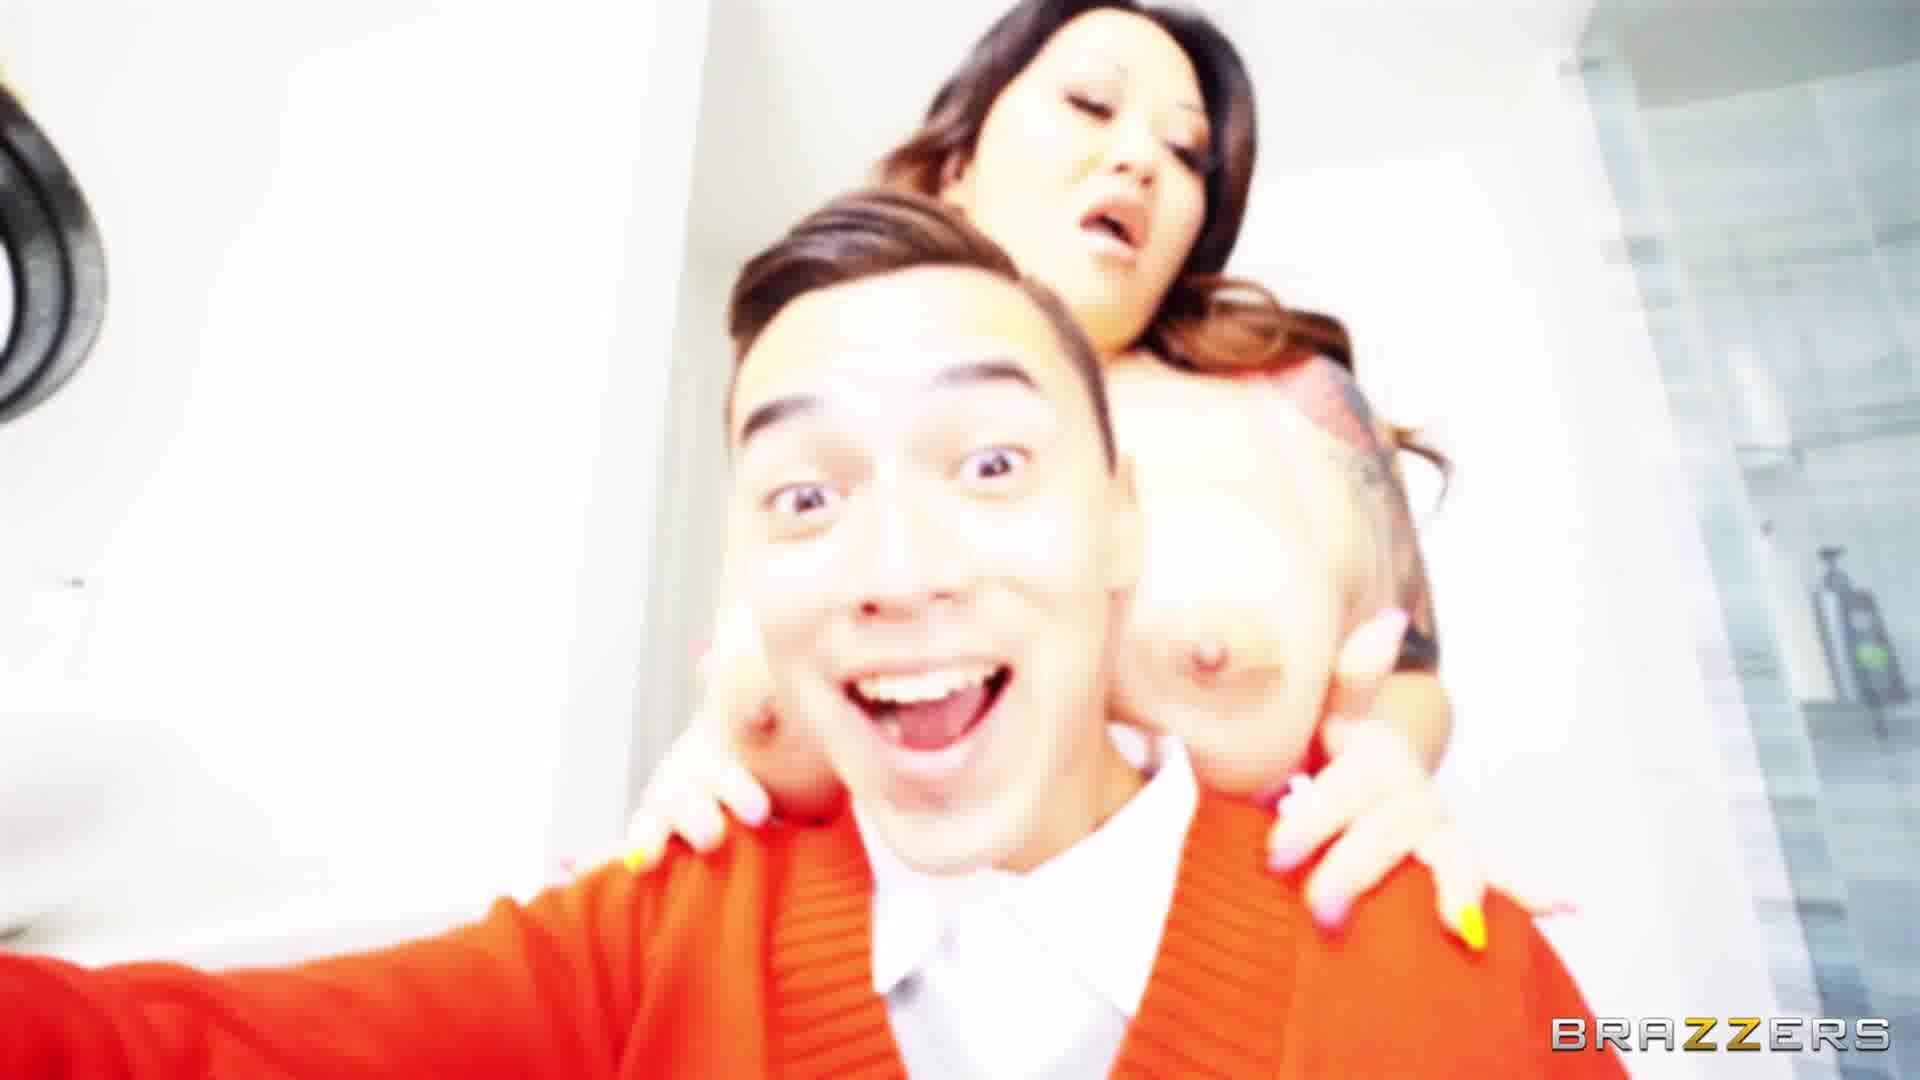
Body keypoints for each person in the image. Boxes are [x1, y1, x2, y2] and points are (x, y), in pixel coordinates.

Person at [0, 188, 1622, 1079]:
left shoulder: (1444, 963)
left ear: (1124, 526)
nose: (894, 570)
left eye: (991, 465)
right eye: (803, 494)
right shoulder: (647, 948)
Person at [619, 0, 1552, 945]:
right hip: (809, 975)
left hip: (1237, 973)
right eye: (1092, 104)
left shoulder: (1298, 406)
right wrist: (709, 756)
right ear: (958, 162)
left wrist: (1387, 759)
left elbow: (1404, 674)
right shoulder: (809, 403)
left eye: (1185, 154)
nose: (1141, 159)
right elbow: (749, 683)